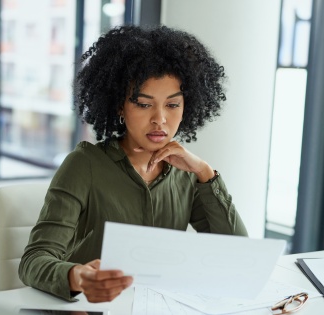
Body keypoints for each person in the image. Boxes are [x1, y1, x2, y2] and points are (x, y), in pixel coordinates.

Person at [19, 25, 248, 303]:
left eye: (173, 105)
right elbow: (33, 261)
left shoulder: (188, 173)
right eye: (143, 104)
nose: (160, 119)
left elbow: (237, 254)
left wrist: (205, 173)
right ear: (119, 106)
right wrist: (78, 276)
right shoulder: (84, 165)